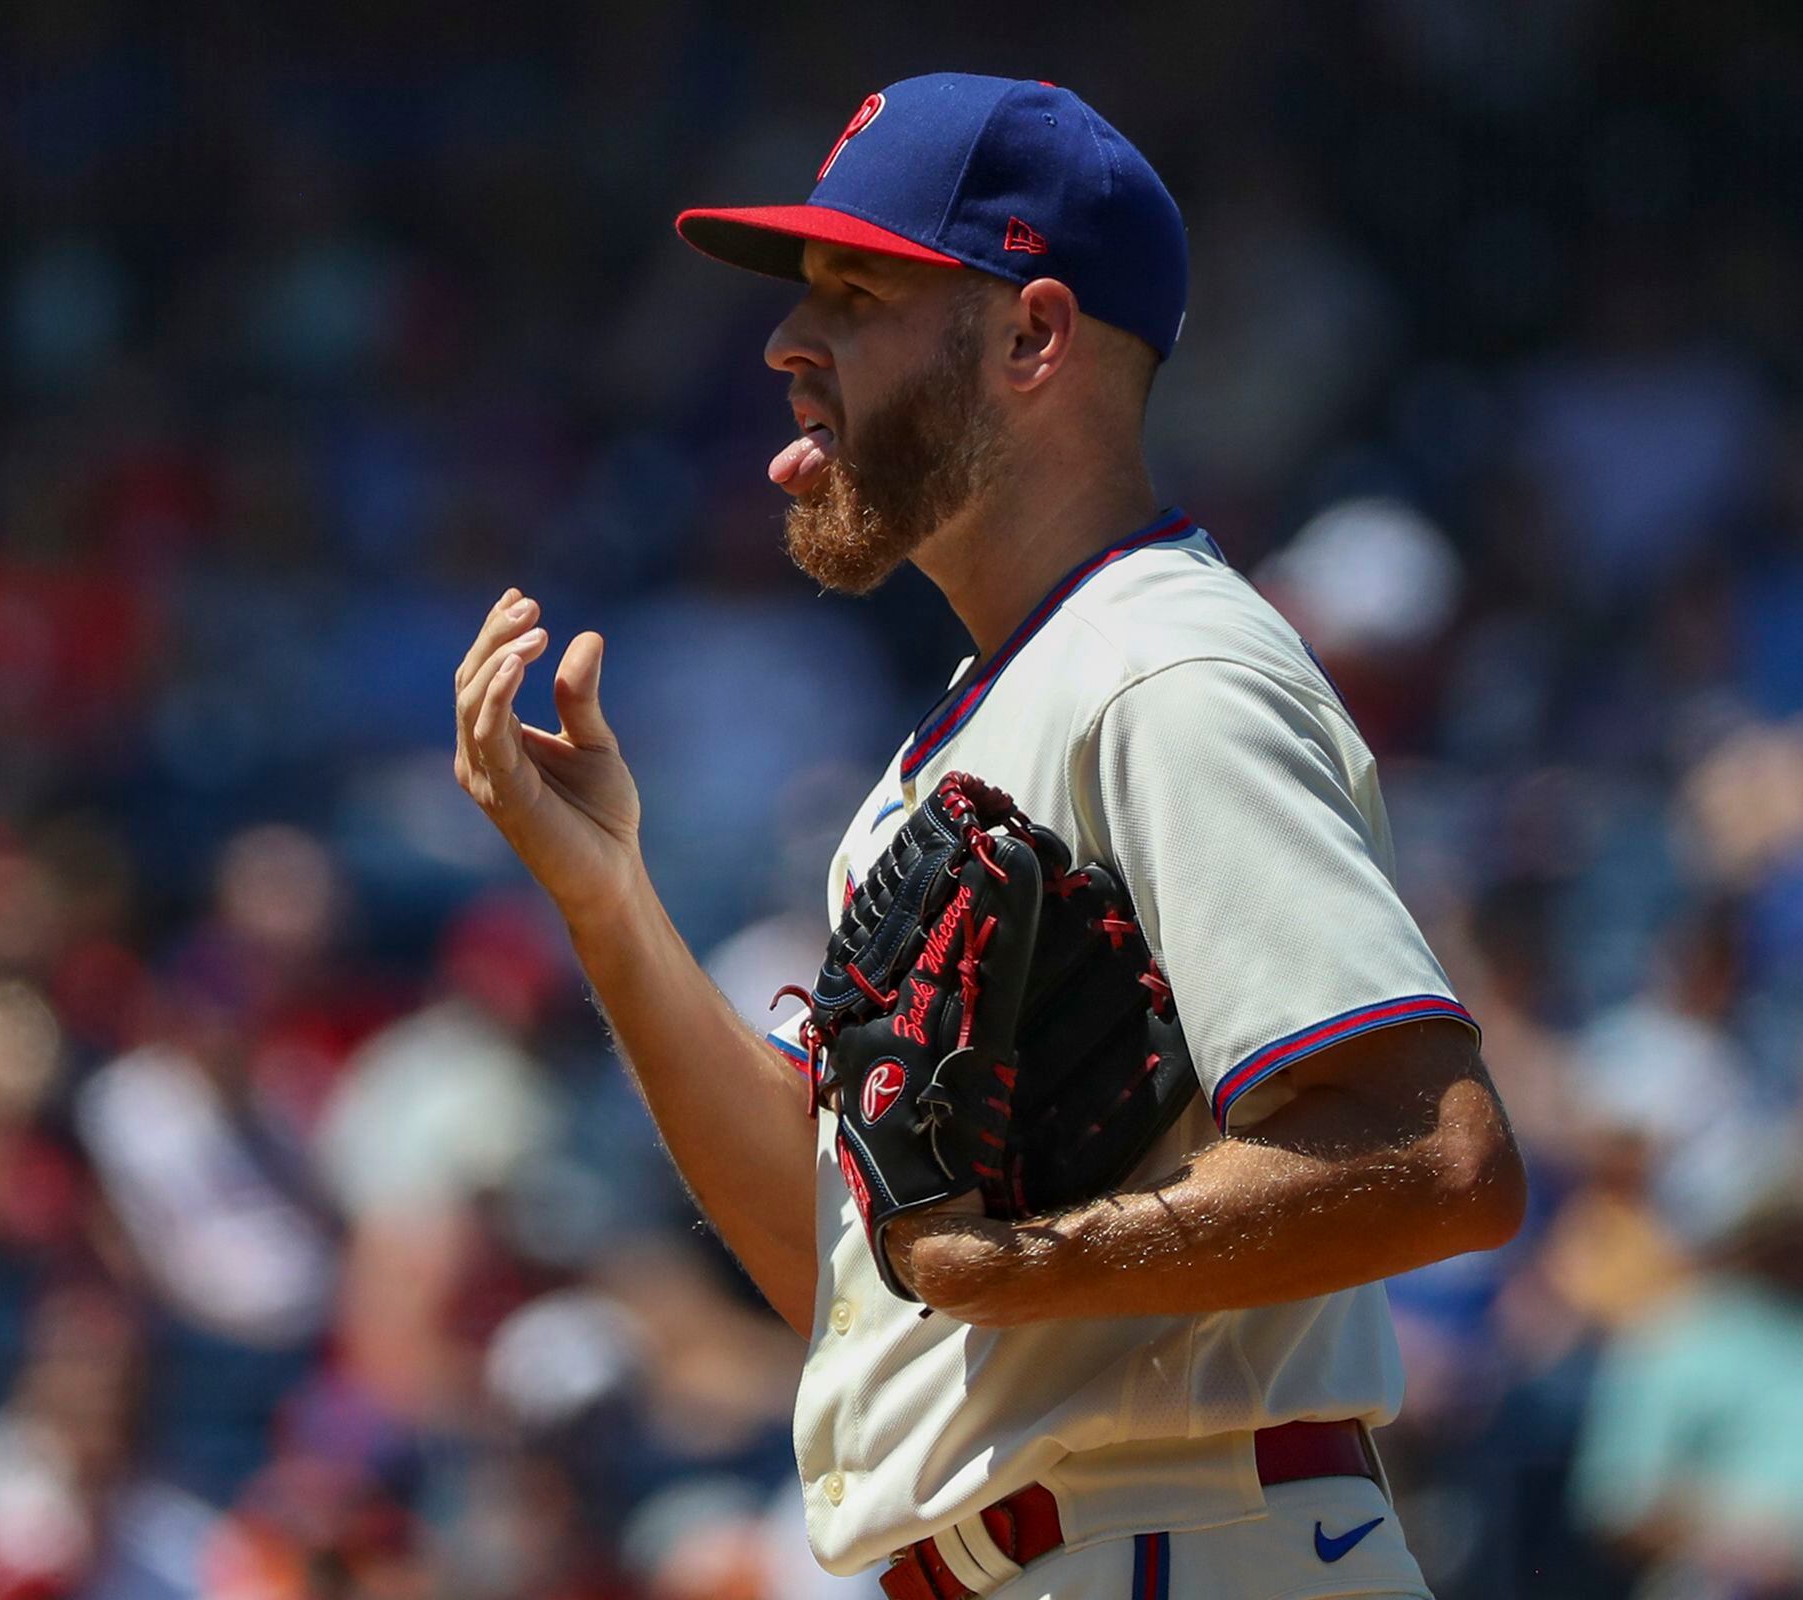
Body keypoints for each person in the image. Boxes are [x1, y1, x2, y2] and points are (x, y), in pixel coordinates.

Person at [451, 74, 1525, 1599]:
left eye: (857, 291)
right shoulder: (968, 733)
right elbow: (846, 1274)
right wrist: (609, 900)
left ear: (1031, 336)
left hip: (1177, 1541)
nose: (783, 345)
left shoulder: (1166, 671)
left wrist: (1014, 1264)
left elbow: (1439, 1154)